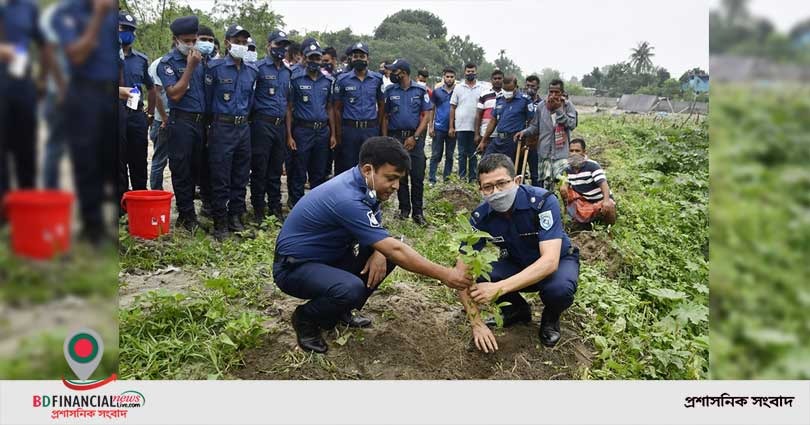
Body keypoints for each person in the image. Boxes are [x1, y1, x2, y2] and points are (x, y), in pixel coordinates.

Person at [273, 136, 474, 353]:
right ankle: (306, 319)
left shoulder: (364, 185)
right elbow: (395, 249)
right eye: (391, 178)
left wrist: (380, 251)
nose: (396, 186)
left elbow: (379, 231)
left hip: (328, 259)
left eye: (399, 179)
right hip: (295, 267)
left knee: (385, 254)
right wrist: (445, 274)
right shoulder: (346, 197)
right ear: (368, 170)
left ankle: (341, 309)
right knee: (351, 287)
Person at [459, 153, 580, 352]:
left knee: (559, 290)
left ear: (517, 181)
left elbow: (549, 261)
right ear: (480, 190)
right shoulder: (481, 217)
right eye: (488, 187)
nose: (496, 192)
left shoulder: (542, 202)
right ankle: (517, 310)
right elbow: (460, 272)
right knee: (480, 274)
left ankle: (550, 318)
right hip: (516, 262)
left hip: (557, 262)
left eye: (502, 183)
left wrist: (498, 288)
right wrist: (477, 324)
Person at [50, 0, 118, 243]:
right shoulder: (66, 13)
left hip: (112, 94)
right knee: (87, 161)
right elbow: (77, 55)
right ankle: (92, 228)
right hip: (85, 92)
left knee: (110, 158)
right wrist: (98, 16)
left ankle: (112, 225)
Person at [205, 24, 259, 240]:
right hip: (222, 126)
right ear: (227, 43)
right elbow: (208, 101)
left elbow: (251, 102)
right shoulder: (215, 68)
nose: (241, 46)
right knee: (220, 176)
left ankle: (236, 218)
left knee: (240, 175)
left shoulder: (252, 71)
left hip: (243, 127)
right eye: (237, 42)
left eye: (245, 43)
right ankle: (220, 223)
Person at [157, 15, 207, 231]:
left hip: (200, 123)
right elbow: (174, 95)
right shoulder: (168, 63)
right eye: (187, 41)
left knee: (198, 169)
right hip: (181, 122)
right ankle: (187, 216)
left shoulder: (202, 60)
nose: (191, 45)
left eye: (194, 40)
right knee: (181, 169)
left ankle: (191, 212)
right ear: (176, 39)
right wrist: (190, 68)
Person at [0, 0, 43, 205]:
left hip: (22, 87)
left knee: (26, 149)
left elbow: (44, 44)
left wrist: (42, 80)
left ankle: (27, 205)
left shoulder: (29, 8)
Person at [381, 58, 432, 226]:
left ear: (403, 72)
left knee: (417, 176)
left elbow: (426, 115)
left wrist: (415, 137)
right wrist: (386, 139)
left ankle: (418, 213)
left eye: (394, 71)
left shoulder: (420, 90)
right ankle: (404, 210)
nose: (391, 74)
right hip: (396, 138)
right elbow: (385, 117)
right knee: (400, 176)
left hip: (415, 138)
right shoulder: (389, 90)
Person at [286, 40, 336, 208]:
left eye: (317, 57)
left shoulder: (327, 82)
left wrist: (333, 134)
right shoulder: (296, 79)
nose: (314, 61)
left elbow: (330, 108)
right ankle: (297, 204)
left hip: (322, 131)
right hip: (302, 130)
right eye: (311, 57)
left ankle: (316, 205)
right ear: (305, 59)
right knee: (299, 169)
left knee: (319, 171)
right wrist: (289, 135)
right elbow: (289, 108)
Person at [250, 29, 291, 222]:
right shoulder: (257, 68)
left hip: (280, 125)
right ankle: (258, 209)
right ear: (268, 46)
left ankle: (275, 208)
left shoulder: (287, 72)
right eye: (277, 45)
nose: (281, 49)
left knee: (275, 169)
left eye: (284, 46)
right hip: (262, 123)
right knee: (260, 168)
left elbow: (288, 103)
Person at [516, 78, 577, 191]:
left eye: (556, 92)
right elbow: (535, 126)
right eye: (551, 92)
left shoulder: (568, 106)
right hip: (544, 153)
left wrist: (558, 110)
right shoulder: (541, 106)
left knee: (564, 186)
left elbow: (572, 124)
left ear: (562, 93)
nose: (553, 95)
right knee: (546, 187)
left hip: (561, 154)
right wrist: (524, 132)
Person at [333, 42, 383, 174]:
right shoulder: (342, 80)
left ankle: (367, 194)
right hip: (350, 130)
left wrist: (377, 126)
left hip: (370, 130)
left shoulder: (377, 79)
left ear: (368, 58)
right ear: (351, 59)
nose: (359, 59)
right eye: (355, 56)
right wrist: (338, 133)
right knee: (349, 167)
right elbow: (336, 109)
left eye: (362, 56)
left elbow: (382, 106)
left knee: (369, 166)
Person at [119, 11, 155, 192]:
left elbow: (151, 87)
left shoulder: (141, 60)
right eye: (122, 28)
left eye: (131, 29)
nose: (127, 33)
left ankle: (140, 199)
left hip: (136, 115)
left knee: (139, 160)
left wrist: (150, 113)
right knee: (117, 161)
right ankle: (120, 205)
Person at [560, 138, 616, 226]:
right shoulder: (568, 169)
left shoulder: (592, 166)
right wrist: (564, 186)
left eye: (577, 151)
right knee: (564, 190)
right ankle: (571, 217)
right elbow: (566, 182)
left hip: (600, 200)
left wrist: (606, 201)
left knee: (609, 206)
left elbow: (604, 185)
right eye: (571, 151)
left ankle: (609, 228)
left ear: (584, 152)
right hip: (585, 201)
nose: (574, 153)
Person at [478, 75, 533, 162]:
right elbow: (493, 121)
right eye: (505, 89)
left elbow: (531, 122)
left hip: (513, 141)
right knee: (485, 162)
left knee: (507, 168)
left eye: (509, 90)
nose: (507, 92)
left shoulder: (525, 100)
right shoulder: (499, 99)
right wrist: (483, 141)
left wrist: (526, 141)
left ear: (516, 87)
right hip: (498, 139)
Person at [449, 63, 487, 182]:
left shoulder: (482, 88)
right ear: (464, 72)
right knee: (461, 154)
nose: (470, 73)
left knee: (473, 153)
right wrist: (451, 126)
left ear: (476, 72)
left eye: (472, 71)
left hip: (475, 127)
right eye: (468, 71)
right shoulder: (458, 87)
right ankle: (461, 177)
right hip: (461, 126)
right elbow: (453, 107)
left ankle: (472, 178)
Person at [195, 24, 217, 218]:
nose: (207, 44)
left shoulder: (215, 65)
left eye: (210, 40)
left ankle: (210, 201)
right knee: (198, 161)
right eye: (204, 39)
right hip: (193, 121)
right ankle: (202, 200)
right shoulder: (190, 63)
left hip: (215, 121)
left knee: (213, 162)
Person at [428, 67, 456, 184]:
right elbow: (432, 109)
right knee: (435, 155)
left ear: (455, 78)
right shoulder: (437, 92)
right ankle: (432, 179)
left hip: (453, 129)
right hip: (439, 128)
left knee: (449, 155)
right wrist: (431, 126)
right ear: (443, 77)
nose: (449, 79)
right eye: (447, 77)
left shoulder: (458, 92)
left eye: (451, 77)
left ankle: (447, 179)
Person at [147, 52, 170, 190]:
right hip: (162, 120)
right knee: (159, 160)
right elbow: (155, 92)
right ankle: (156, 192)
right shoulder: (159, 64)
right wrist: (164, 118)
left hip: (179, 119)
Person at [474, 69, 504, 151]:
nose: (497, 80)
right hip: (486, 134)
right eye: (495, 78)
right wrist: (477, 134)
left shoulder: (507, 95)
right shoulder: (484, 94)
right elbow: (478, 115)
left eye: (499, 78)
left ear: (503, 79)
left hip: (502, 135)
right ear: (491, 80)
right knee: (486, 160)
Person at [523, 74, 541, 187]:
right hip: (521, 142)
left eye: (533, 86)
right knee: (519, 172)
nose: (530, 88)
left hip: (536, 144)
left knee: (536, 175)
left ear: (538, 87)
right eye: (528, 85)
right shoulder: (521, 101)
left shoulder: (542, 104)